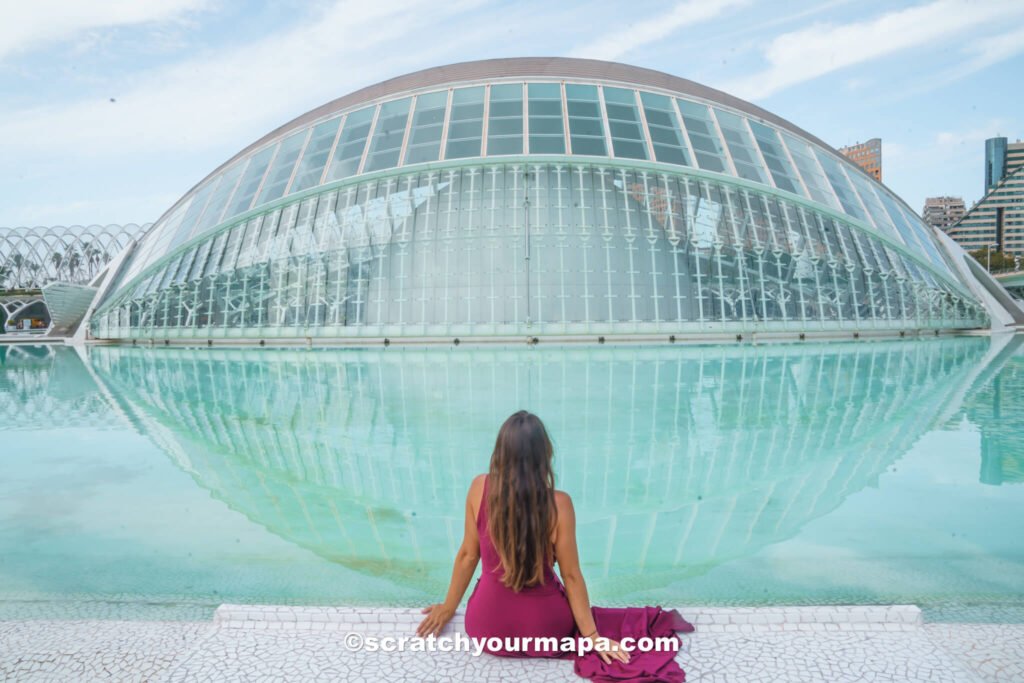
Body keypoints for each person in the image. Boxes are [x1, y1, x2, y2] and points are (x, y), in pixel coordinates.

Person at [417, 410, 694, 682]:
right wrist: (593, 638)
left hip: (486, 630)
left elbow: (468, 555)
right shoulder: (559, 505)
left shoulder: (479, 487)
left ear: (499, 452)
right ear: (544, 456)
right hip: (547, 632)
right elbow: (571, 576)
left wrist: (448, 606)